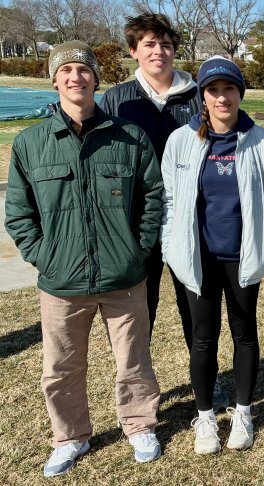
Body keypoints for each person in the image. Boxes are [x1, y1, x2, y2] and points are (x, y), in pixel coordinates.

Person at [5, 41, 163, 476]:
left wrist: (138, 249)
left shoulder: (129, 137)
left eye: (84, 69)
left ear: (96, 78)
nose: (76, 77)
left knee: (134, 360)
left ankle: (139, 424)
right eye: (66, 71)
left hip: (124, 277)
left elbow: (152, 198)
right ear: (54, 81)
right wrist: (45, 256)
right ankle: (70, 436)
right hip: (61, 282)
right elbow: (19, 213)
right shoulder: (31, 143)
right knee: (60, 367)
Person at [100, 14, 230, 410]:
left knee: (197, 309)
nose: (159, 52)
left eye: (166, 44)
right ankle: (138, 392)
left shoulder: (196, 96)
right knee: (138, 315)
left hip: (190, 222)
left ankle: (209, 382)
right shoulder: (118, 100)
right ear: (133, 51)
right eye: (150, 44)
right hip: (135, 225)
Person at [161, 56, 264, 454]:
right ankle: (206, 417)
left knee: (244, 334)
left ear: (240, 93)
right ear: (202, 96)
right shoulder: (181, 140)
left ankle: (243, 412)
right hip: (199, 258)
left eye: (229, 88)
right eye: (213, 90)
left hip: (243, 257)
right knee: (203, 338)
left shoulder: (261, 141)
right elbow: (169, 201)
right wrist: (170, 247)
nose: (221, 97)